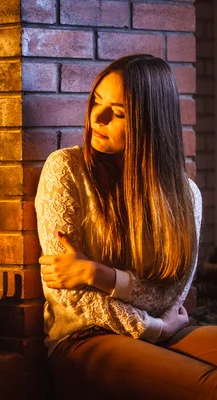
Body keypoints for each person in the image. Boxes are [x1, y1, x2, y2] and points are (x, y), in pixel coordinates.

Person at [35, 54, 217, 399]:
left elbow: (169, 293)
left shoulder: (184, 193)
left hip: (165, 331)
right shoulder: (65, 170)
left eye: (117, 113)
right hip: (86, 337)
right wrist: (155, 327)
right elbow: (71, 296)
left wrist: (97, 273)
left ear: (152, 123)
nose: (97, 118)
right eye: (96, 102)